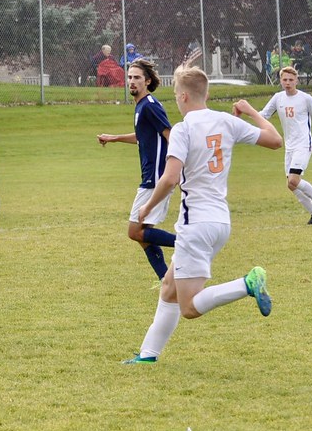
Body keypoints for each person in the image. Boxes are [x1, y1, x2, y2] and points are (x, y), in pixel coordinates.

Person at [123, 65, 283, 364]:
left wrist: (147, 208)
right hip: (220, 222)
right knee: (169, 288)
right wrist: (250, 110)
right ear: (205, 94)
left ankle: (247, 283)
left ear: (183, 96)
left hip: (194, 223)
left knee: (189, 308)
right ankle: (147, 355)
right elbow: (275, 140)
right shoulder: (225, 121)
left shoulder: (184, 129)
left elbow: (170, 178)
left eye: (175, 95)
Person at [97, 59, 175, 281]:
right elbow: (144, 137)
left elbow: (170, 135)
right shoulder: (141, 105)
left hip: (155, 177)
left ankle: (187, 243)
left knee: (134, 231)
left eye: (137, 77)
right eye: (129, 77)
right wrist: (114, 138)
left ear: (147, 81)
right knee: (143, 235)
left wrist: (174, 169)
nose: (131, 81)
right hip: (151, 175)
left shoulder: (150, 105)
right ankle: (167, 281)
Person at [258, 66, 312, 224]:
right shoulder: (278, 98)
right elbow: (264, 115)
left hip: (303, 144)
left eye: (291, 80)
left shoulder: (305, 98)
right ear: (281, 81)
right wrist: (245, 113)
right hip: (289, 146)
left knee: (293, 180)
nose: (288, 82)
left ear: (296, 80)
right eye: (285, 80)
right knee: (291, 185)